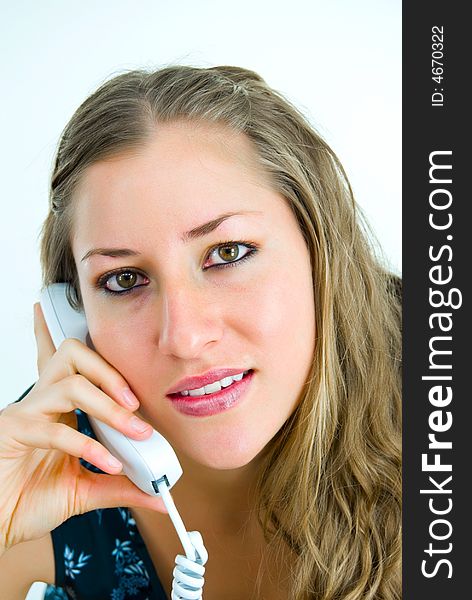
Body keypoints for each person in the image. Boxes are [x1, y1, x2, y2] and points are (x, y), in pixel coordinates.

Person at [0, 65, 401, 599]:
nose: (184, 338)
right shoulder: (40, 474)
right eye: (124, 280)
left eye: (228, 254)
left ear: (320, 252)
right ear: (71, 317)